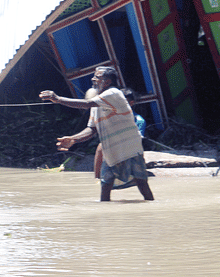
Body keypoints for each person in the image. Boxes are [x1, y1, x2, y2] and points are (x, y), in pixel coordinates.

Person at [40, 66, 154, 201]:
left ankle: (152, 205)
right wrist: (73, 139)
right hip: (112, 150)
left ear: (107, 82)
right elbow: (91, 129)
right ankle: (105, 214)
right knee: (105, 184)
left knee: (141, 182)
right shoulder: (98, 103)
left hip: (129, 147)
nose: (93, 79)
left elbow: (87, 103)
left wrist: (58, 99)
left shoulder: (113, 93)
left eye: (97, 77)